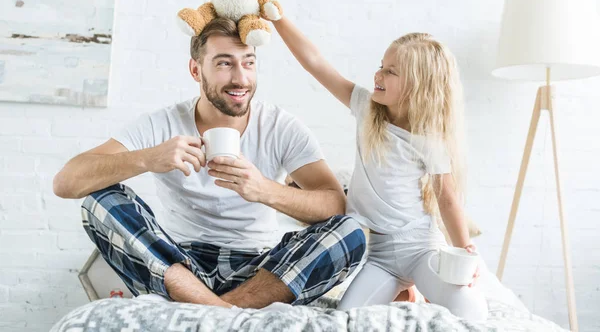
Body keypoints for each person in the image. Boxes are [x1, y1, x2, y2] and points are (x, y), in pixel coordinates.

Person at [53, 17, 366, 309]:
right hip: (178, 266)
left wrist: (264, 190)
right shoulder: (162, 123)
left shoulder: (281, 127)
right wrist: (149, 158)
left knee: (351, 231)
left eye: (248, 63)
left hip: (260, 271)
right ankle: (226, 314)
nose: (240, 78)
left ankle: (208, 311)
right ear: (195, 70)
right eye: (224, 63)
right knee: (99, 201)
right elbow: (66, 182)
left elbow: (335, 205)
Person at [272, 16, 488, 321]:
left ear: (418, 86)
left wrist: (466, 250)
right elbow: (315, 63)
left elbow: (447, 198)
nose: (378, 74)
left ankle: (416, 289)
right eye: (381, 65)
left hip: (420, 249)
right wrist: (277, 18)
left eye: (391, 71)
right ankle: (405, 294)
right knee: (348, 318)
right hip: (380, 256)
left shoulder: (429, 140)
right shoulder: (365, 108)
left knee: (471, 311)